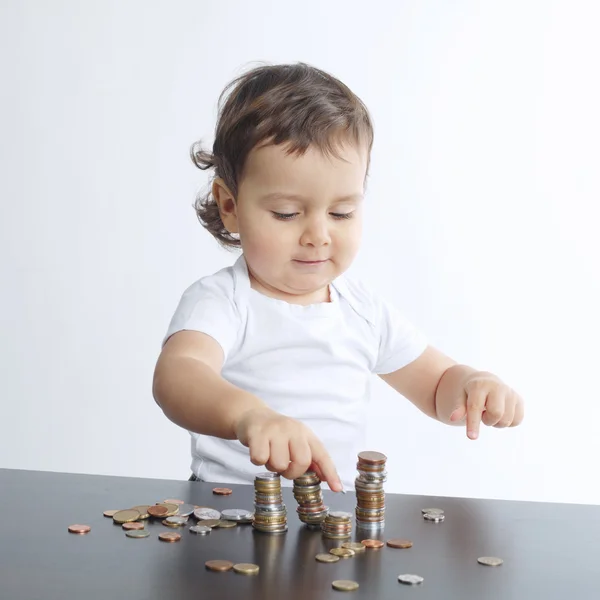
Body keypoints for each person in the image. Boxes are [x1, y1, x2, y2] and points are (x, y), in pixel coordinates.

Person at [152, 62, 524, 493]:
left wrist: (472, 385)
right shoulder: (223, 301)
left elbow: (436, 384)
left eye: (341, 212)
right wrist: (247, 415)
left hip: (333, 517)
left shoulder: (361, 310)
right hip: (228, 511)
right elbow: (179, 375)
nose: (318, 236)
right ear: (230, 206)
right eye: (287, 213)